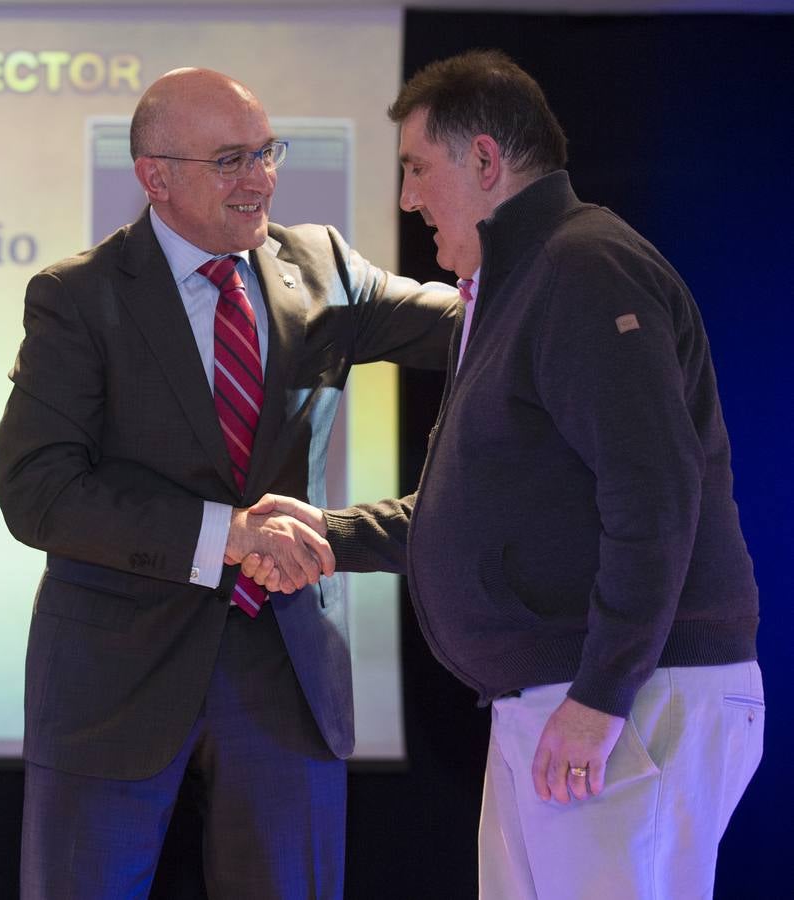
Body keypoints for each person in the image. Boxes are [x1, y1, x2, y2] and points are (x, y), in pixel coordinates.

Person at [249, 49, 764, 899]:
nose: (407, 198)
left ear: (485, 160)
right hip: (571, 697)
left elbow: (655, 495)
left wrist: (600, 695)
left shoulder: (582, 267)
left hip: (620, 696)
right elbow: (482, 510)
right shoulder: (518, 282)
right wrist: (328, 533)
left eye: (417, 169)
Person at [0, 67, 456, 898]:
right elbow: (38, 490)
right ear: (154, 176)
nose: (261, 178)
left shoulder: (320, 266)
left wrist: (555, 264)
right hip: (114, 673)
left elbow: (462, 328)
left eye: (267, 151)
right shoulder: (79, 297)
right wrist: (227, 534)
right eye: (231, 159)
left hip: (282, 664)